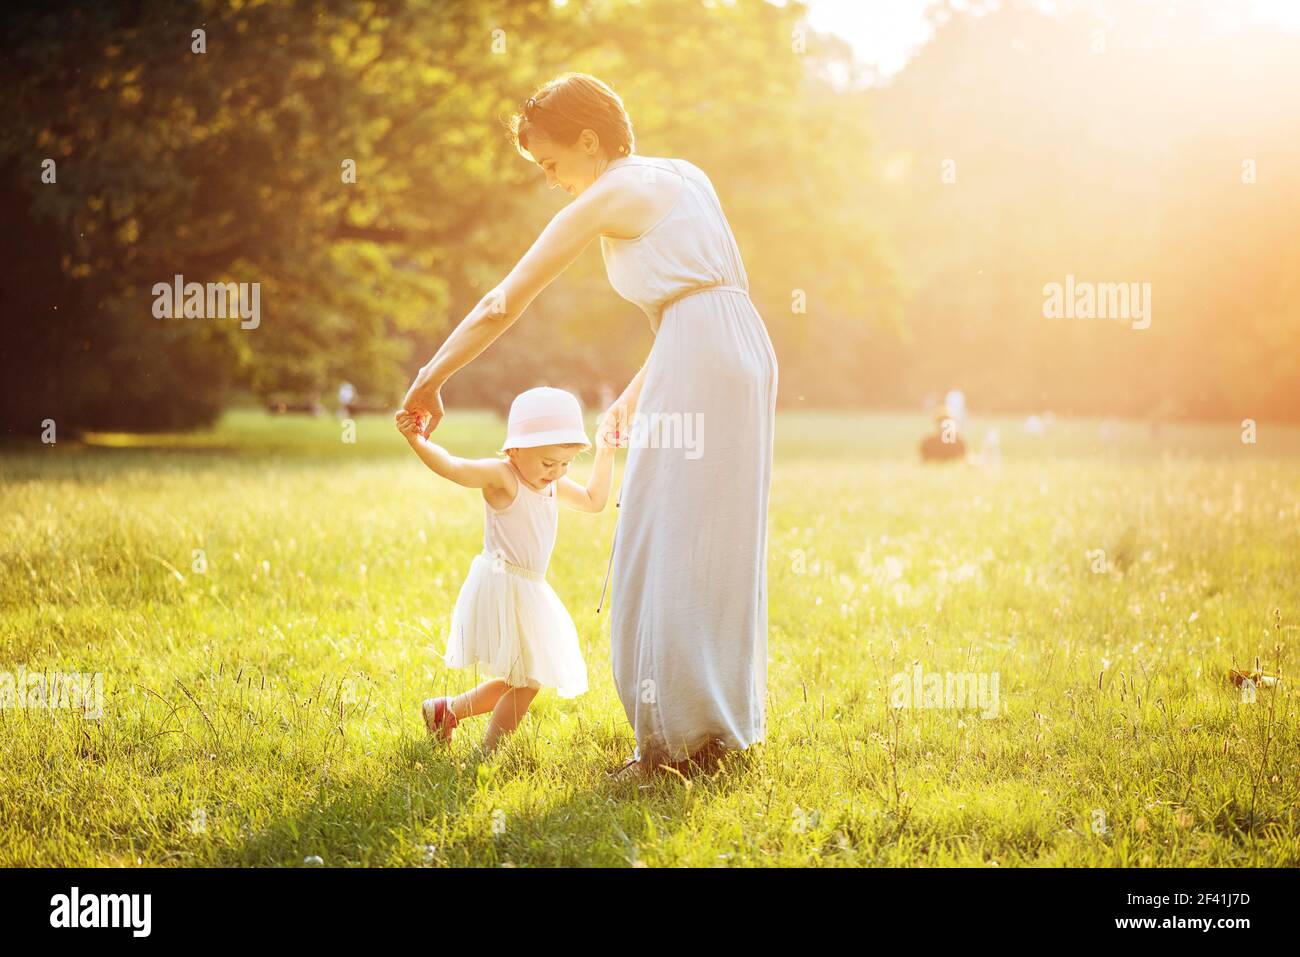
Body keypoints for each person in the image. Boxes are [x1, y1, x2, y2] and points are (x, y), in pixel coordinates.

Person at [400, 73, 778, 778]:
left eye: (550, 164)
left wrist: (431, 376)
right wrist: (637, 390)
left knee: (655, 544)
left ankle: (668, 747)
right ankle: (717, 730)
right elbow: (707, 298)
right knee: (714, 542)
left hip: (700, 352)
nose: (550, 180)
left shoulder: (612, 192)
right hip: (743, 351)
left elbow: (501, 301)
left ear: (587, 139)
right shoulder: (685, 175)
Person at [397, 386, 615, 754]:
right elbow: (453, 467)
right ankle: (490, 754)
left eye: (565, 464)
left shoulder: (552, 484)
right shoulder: (503, 476)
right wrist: (417, 440)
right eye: (548, 463)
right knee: (529, 678)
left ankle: (446, 710)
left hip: (530, 589)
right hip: (503, 584)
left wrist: (607, 450)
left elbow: (595, 502)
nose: (556, 472)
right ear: (515, 449)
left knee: (524, 676)